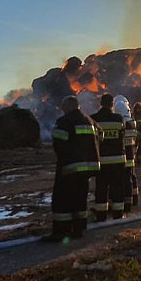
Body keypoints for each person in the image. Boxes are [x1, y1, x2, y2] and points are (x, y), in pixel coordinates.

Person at [42, 96, 100, 242]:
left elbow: (59, 144)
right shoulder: (89, 121)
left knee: (62, 199)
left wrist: (64, 160)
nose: (61, 108)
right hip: (87, 168)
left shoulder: (65, 122)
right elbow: (100, 137)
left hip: (70, 167)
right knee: (80, 198)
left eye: (63, 105)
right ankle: (78, 229)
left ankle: (61, 232)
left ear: (69, 106)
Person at [90, 94, 126, 221]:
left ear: (101, 103)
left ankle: (101, 215)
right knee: (117, 187)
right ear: (112, 104)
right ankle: (118, 214)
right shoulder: (119, 119)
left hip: (101, 161)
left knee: (101, 188)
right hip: (118, 160)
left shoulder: (94, 119)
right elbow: (122, 136)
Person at [114, 95, 139, 212]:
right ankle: (133, 199)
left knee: (121, 179)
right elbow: (135, 138)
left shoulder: (119, 123)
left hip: (121, 154)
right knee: (131, 177)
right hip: (131, 153)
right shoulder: (133, 123)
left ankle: (124, 203)